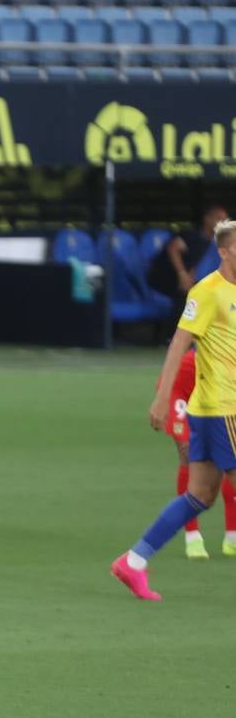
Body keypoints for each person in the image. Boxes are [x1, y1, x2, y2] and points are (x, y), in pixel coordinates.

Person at [112, 218, 236, 601]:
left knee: (200, 495)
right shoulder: (209, 291)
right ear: (223, 251)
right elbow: (180, 343)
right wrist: (163, 396)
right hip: (221, 408)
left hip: (213, 409)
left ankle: (133, 562)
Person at [159, 347, 236, 560]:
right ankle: (192, 536)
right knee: (188, 455)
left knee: (230, 459)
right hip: (182, 392)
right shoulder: (193, 359)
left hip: (218, 400)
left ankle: (233, 537)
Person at [147, 205, 227, 321]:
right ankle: (172, 336)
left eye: (225, 219)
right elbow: (173, 248)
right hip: (164, 276)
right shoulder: (192, 235)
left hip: (183, 279)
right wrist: (182, 274)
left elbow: (195, 264)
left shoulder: (211, 241)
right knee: (188, 294)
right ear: (207, 219)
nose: (223, 223)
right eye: (219, 219)